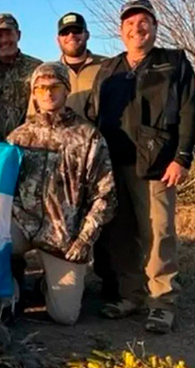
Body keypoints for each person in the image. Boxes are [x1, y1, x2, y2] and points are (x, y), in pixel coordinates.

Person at [89, 0, 195, 333]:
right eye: (130, 23)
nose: (137, 27)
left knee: (158, 232)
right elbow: (95, 116)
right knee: (120, 231)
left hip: (159, 165)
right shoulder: (109, 69)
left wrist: (182, 157)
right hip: (114, 163)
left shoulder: (174, 62)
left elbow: (191, 112)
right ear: (121, 32)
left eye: (144, 21)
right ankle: (130, 295)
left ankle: (162, 301)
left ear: (155, 26)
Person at [7, 63, 116, 325]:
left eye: (54, 87)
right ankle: (8, 288)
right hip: (22, 224)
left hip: (63, 235)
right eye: (40, 88)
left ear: (66, 90)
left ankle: (47, 285)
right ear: (33, 94)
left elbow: (106, 196)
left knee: (65, 316)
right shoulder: (18, 137)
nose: (47, 93)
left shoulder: (88, 136)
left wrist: (84, 240)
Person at [0, 13, 42, 141]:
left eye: (9, 34)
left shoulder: (37, 69)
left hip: (30, 145)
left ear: (18, 35)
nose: (4, 40)